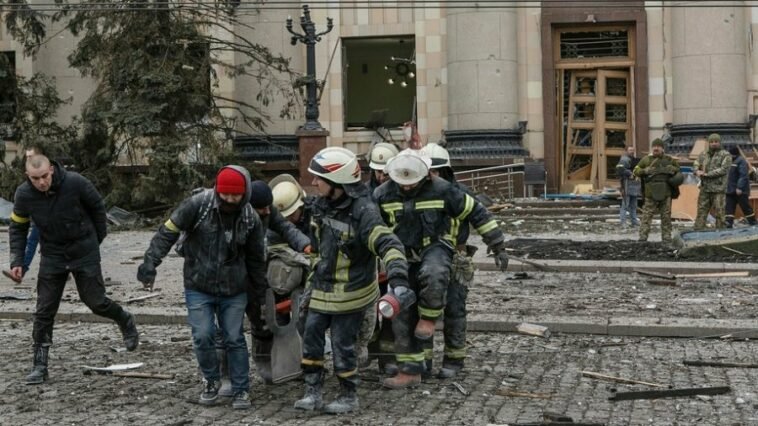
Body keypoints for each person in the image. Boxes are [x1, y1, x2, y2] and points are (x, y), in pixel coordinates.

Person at [375, 149, 509, 389]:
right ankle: (411, 370)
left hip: (435, 247)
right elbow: (370, 226)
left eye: (413, 181)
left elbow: (477, 213)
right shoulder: (383, 195)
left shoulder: (444, 191)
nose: (407, 187)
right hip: (401, 256)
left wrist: (497, 244)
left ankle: (430, 321)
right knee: (402, 316)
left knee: (435, 275)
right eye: (403, 182)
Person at [137, 166, 268, 409]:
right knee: (202, 335)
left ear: (245, 193)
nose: (230, 200)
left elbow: (256, 260)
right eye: (225, 194)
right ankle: (211, 380)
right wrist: (150, 263)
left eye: (236, 195)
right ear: (218, 190)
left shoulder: (251, 219)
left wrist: (260, 295)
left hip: (234, 288)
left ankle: (241, 389)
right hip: (198, 284)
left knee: (234, 338)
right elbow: (168, 232)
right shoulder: (198, 205)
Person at [294, 147, 409, 414]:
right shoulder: (322, 205)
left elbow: (388, 243)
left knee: (342, 345)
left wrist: (398, 277)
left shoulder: (364, 211)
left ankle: (348, 395)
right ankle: (312, 392)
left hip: (350, 294)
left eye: (319, 178)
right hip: (322, 288)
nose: (314, 182)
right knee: (311, 338)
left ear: (337, 182)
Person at [8, 154, 139, 385]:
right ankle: (40, 365)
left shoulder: (75, 182)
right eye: (35, 178)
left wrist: (95, 241)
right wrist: (17, 261)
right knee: (44, 310)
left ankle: (124, 319)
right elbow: (18, 228)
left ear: (51, 169)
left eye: (44, 176)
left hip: (84, 250)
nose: (41, 182)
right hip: (53, 255)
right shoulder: (23, 194)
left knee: (96, 302)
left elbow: (98, 209)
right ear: (28, 176)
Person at [423, 143, 479, 379]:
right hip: (426, 261)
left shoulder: (461, 194)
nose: (432, 177)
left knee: (455, 310)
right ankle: (423, 362)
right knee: (423, 311)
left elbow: (481, 217)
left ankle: (454, 359)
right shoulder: (418, 195)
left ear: (446, 171)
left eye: (436, 171)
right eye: (428, 172)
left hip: (457, 259)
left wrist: (497, 244)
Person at [3, 146, 46, 283]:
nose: (28, 159)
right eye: (27, 157)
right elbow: (16, 228)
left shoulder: (46, 174)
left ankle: (21, 270)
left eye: (30, 157)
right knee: (38, 242)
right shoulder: (26, 183)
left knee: (34, 242)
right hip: (38, 218)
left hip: (48, 218)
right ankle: (20, 269)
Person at [634, 138, 681, 243]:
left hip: (666, 192)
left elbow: (678, 170)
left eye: (658, 146)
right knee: (647, 216)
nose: (656, 148)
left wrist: (672, 169)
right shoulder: (646, 160)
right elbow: (635, 170)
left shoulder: (669, 160)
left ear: (662, 148)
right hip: (650, 192)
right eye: (654, 146)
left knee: (666, 216)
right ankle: (643, 236)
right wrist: (644, 171)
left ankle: (666, 237)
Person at [693, 133, 732, 230]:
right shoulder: (704, 154)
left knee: (720, 212)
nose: (714, 144)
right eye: (712, 142)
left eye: (716, 142)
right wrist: (696, 170)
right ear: (709, 143)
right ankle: (698, 231)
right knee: (701, 211)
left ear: (720, 142)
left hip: (718, 189)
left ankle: (721, 232)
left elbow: (723, 169)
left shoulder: (725, 155)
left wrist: (707, 174)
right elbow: (696, 162)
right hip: (705, 189)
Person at [725, 146, 757, 227]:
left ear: (733, 154)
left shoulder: (741, 161)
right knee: (729, 207)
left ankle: (753, 222)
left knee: (745, 207)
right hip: (730, 190)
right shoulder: (731, 161)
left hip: (740, 191)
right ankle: (728, 223)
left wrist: (739, 187)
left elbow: (743, 176)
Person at [616, 145, 641, 227]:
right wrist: (629, 173)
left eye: (633, 150)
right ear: (626, 151)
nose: (632, 151)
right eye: (630, 150)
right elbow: (619, 169)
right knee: (625, 205)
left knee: (634, 205)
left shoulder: (634, 160)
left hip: (635, 185)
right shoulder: (624, 160)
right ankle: (623, 221)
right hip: (626, 184)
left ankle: (634, 221)